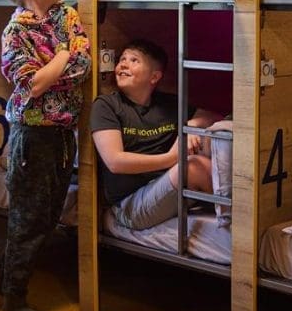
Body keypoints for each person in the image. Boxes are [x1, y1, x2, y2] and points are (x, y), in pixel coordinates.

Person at [0, 0, 91, 311]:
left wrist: (54, 69)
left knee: (48, 217)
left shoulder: (66, 15)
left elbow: (84, 67)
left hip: (63, 132)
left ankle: (0, 275)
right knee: (29, 220)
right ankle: (13, 303)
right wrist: (63, 55)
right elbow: (32, 85)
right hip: (32, 134)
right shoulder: (16, 31)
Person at [91, 39, 223, 230]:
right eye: (122, 59)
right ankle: (240, 218)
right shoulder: (106, 105)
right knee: (193, 167)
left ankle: (240, 209)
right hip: (129, 203)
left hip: (164, 186)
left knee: (214, 138)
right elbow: (115, 161)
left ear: (154, 77)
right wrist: (171, 158)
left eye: (134, 60)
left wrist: (190, 125)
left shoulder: (166, 104)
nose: (123, 64)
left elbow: (210, 116)